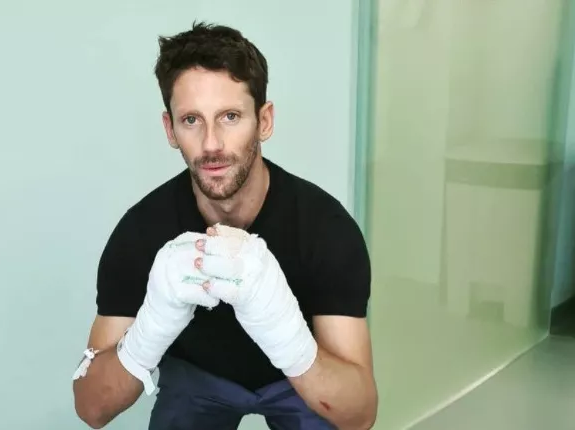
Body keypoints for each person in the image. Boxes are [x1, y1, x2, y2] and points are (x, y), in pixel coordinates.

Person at [73, 22, 378, 430]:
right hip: (197, 377)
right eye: (191, 120)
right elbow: (91, 409)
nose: (212, 143)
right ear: (170, 129)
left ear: (264, 121)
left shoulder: (325, 229)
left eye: (230, 117)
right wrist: (150, 329)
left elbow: (360, 415)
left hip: (301, 378)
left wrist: (290, 341)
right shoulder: (141, 233)